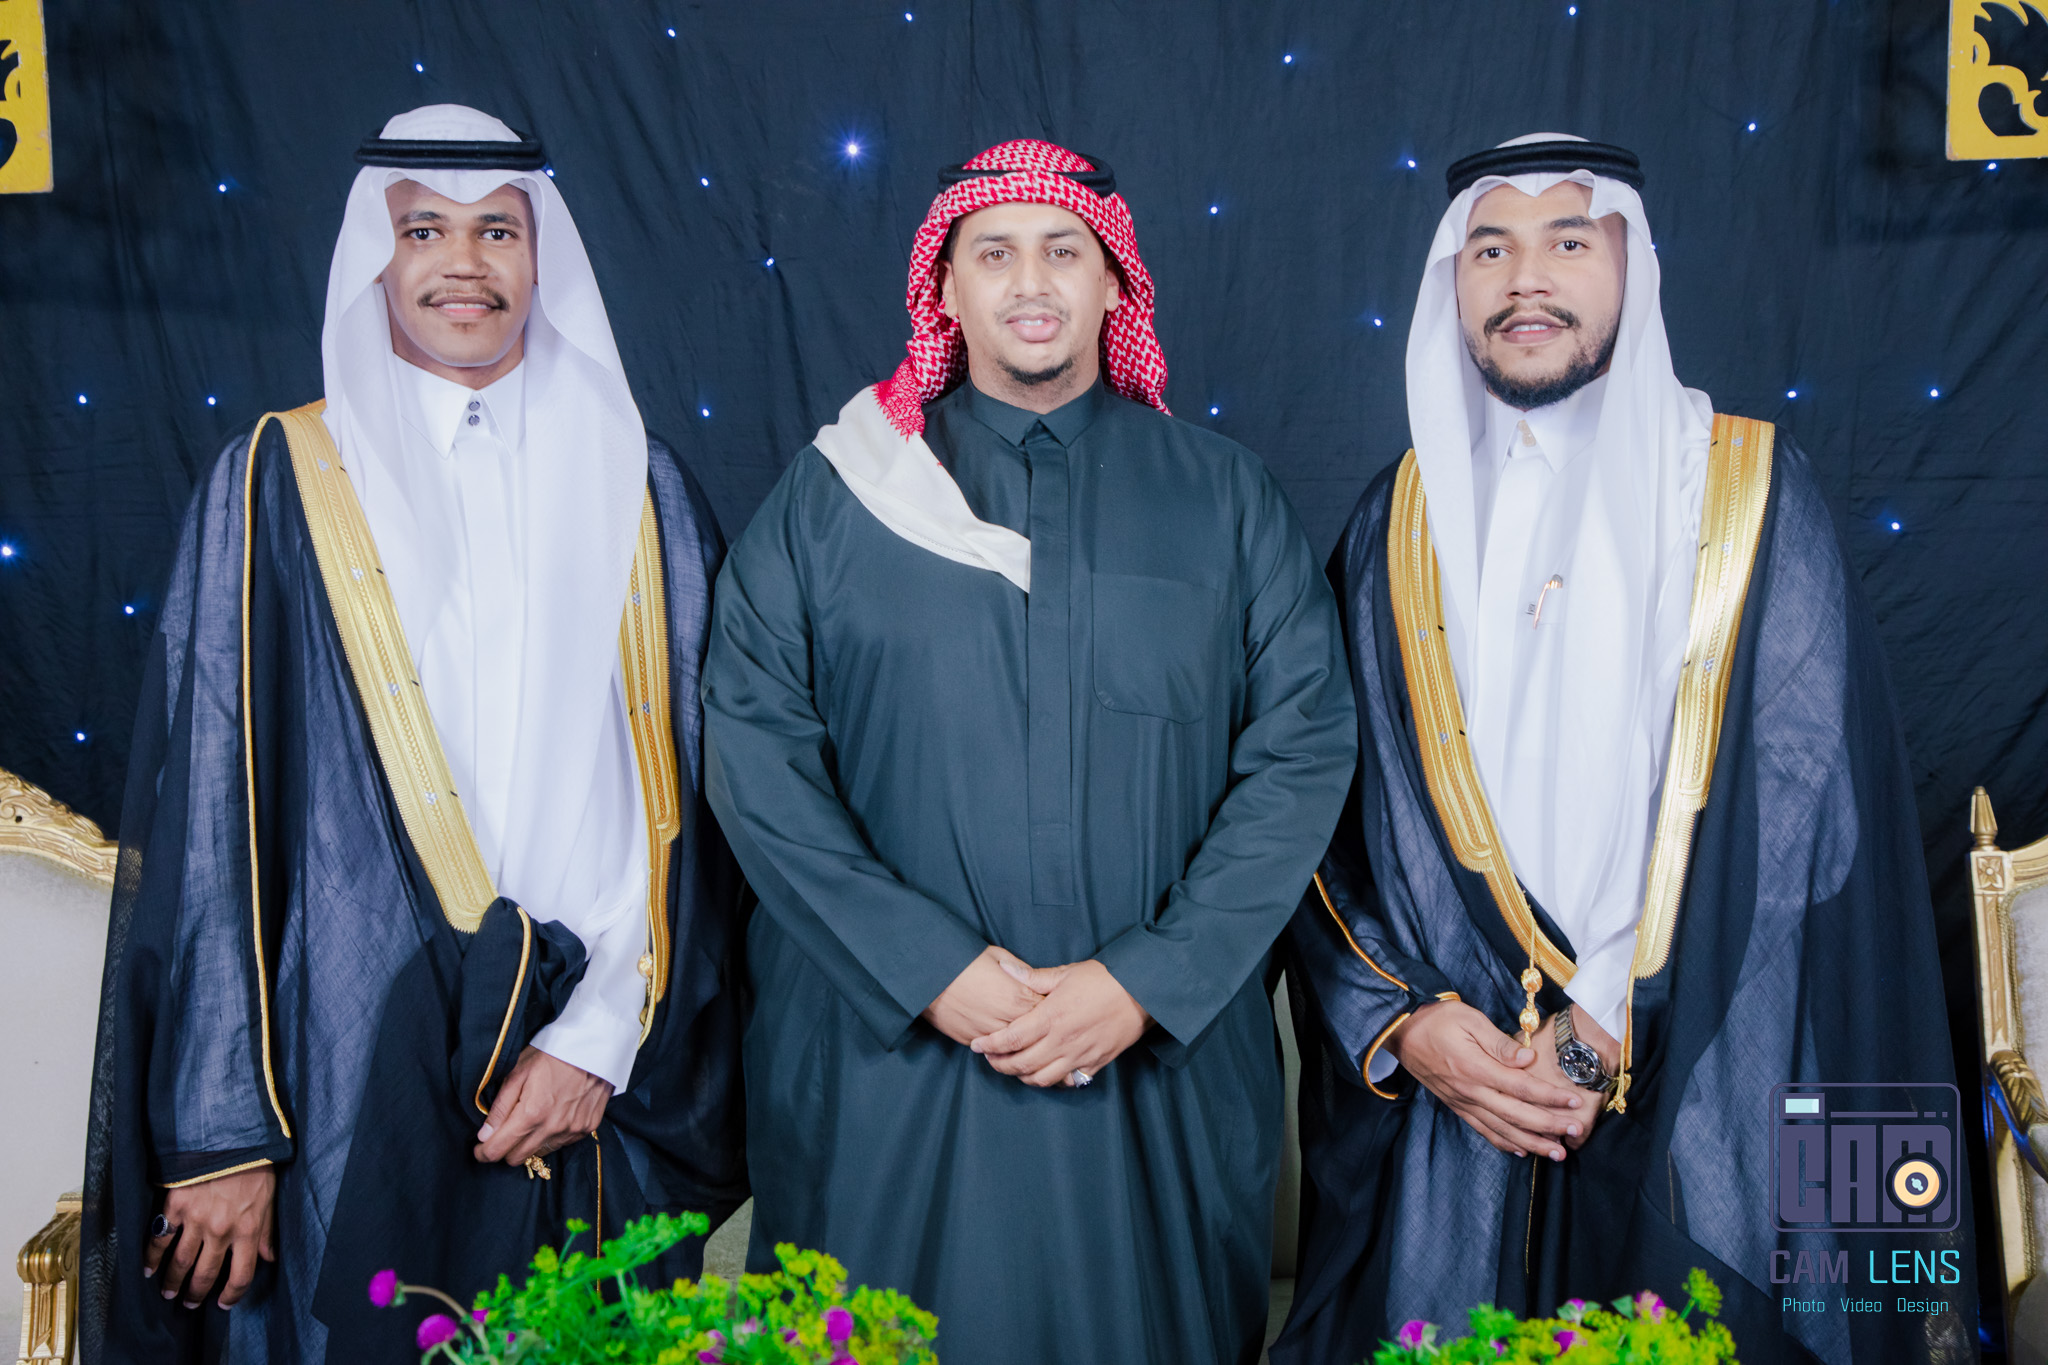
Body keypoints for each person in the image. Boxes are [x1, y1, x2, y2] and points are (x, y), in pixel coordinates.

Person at [1275, 135, 1971, 1365]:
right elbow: (1314, 819)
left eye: (1565, 241)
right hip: (1456, 1104)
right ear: (1452, 283)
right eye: (1489, 249)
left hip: (1700, 1071)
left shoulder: (1746, 492)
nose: (1524, 280)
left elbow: (1803, 805)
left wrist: (1601, 1026)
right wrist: (1405, 1026)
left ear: (1628, 265)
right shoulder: (1394, 523)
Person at [80, 105, 745, 1364]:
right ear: (373, 259)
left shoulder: (644, 485)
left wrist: (601, 1039)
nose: (463, 263)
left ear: (541, 255)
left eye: (497, 230)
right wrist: (227, 1130)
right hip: (334, 1074)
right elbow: (212, 814)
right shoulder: (279, 477)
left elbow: (695, 808)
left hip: (583, 1082)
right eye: (424, 230)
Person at [702, 139, 1355, 1365]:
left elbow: (1301, 753)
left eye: (1063, 250)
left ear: (1114, 284)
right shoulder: (835, 495)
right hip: (885, 1055)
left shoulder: (1227, 498)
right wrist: (928, 969)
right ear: (943, 289)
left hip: (1151, 1068)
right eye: (992, 254)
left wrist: (1144, 982)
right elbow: (753, 751)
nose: (1030, 282)